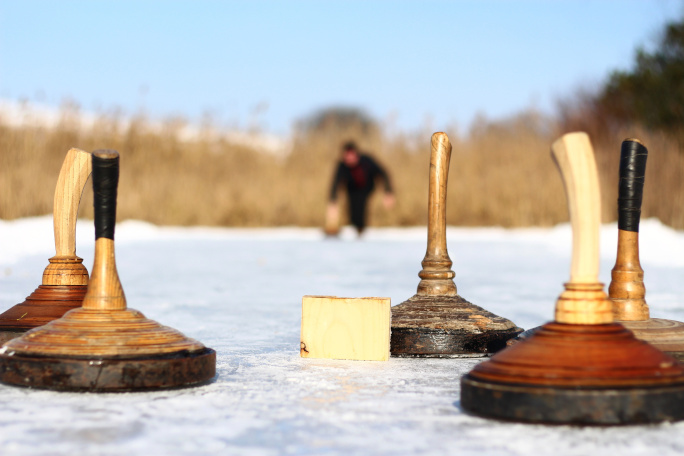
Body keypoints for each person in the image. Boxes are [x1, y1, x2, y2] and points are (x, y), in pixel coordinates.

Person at [328, 141, 395, 234]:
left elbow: (383, 173)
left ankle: (361, 229)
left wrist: (388, 191)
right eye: (347, 156)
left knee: (361, 206)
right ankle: (355, 230)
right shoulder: (342, 166)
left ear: (356, 154)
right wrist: (333, 200)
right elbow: (335, 183)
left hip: (367, 188)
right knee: (352, 210)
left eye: (351, 156)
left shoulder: (367, 161)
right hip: (351, 189)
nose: (349, 159)